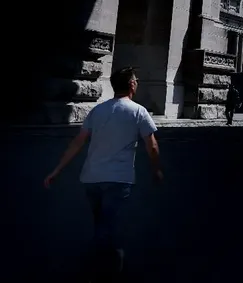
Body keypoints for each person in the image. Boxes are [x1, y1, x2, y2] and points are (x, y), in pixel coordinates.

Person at [44, 66, 162, 278]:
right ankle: (103, 268)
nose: (137, 83)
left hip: (91, 178)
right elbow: (152, 146)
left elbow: (77, 143)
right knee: (108, 227)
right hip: (118, 179)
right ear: (132, 85)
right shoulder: (138, 112)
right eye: (136, 80)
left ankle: (104, 263)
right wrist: (156, 169)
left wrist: (56, 170)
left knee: (102, 223)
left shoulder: (97, 111)